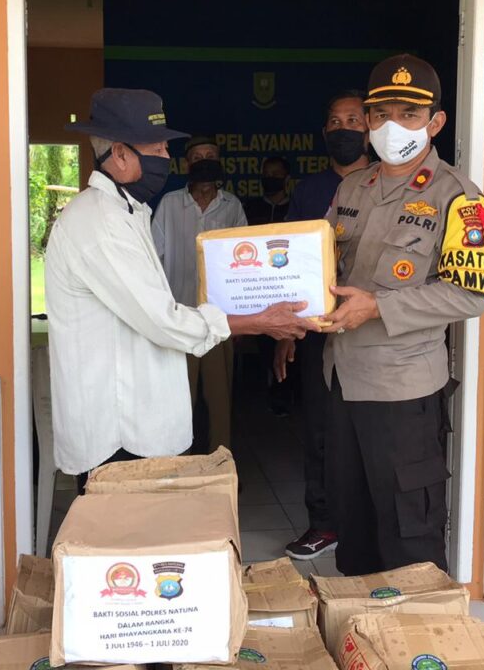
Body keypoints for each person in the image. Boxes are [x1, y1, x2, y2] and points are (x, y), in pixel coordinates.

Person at [45, 89, 318, 490]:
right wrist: (257, 321)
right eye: (156, 147)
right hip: (117, 433)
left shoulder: (127, 212)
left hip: (136, 419)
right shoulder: (101, 223)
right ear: (119, 154)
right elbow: (163, 320)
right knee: (127, 527)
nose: (166, 156)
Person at [318, 55, 484, 576]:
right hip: (343, 381)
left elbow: (471, 296)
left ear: (435, 122)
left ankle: (414, 627)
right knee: (353, 529)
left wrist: (378, 306)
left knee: (408, 537)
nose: (391, 125)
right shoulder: (353, 188)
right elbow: (318, 262)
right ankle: (360, 625)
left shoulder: (460, 198)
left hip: (403, 392)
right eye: (381, 114)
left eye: (409, 114)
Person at [274, 89, 372, 560]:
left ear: (370, 129)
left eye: (353, 120)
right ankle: (324, 524)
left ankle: (368, 524)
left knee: (367, 429)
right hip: (316, 329)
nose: (344, 129)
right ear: (323, 132)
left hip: (372, 330)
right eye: (335, 122)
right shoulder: (309, 191)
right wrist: (286, 332)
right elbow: (290, 263)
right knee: (318, 430)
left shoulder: (387, 185)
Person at [152, 134, 247, 453]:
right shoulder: (169, 204)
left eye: (210, 156)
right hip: (179, 319)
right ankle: (180, 463)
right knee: (179, 399)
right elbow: (154, 260)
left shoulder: (232, 206)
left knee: (220, 399)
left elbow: (245, 265)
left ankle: (221, 462)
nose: (204, 162)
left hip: (220, 321)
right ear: (186, 165)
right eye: (197, 157)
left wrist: (241, 318)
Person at [244, 156, 291, 225]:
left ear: (287, 179)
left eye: (275, 174)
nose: (270, 177)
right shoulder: (250, 208)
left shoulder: (294, 208)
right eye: (266, 174)